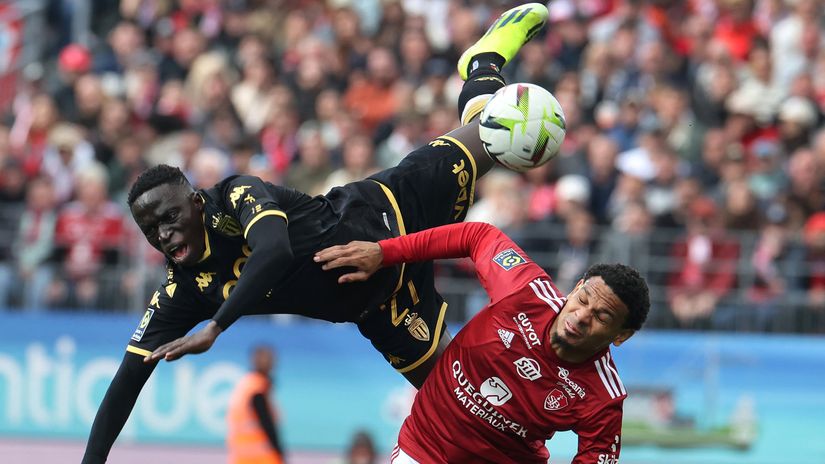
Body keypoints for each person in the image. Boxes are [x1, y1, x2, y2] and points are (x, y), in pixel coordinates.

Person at [82, 4, 550, 462]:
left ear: (195, 202)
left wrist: (217, 326)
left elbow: (274, 252)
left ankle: (482, 62)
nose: (162, 234)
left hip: (391, 209)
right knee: (478, 414)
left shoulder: (234, 196)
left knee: (497, 136)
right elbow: (126, 381)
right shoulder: (180, 290)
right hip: (385, 309)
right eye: (149, 229)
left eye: (168, 217)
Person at [314, 221, 650, 463]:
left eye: (602, 317)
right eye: (583, 299)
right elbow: (477, 235)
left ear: (621, 335)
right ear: (575, 287)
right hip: (424, 449)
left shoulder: (602, 396)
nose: (580, 316)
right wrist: (384, 252)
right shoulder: (524, 291)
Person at [226, 345, 284, 464]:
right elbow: (266, 423)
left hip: (241, 456)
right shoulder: (257, 388)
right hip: (262, 456)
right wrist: (279, 452)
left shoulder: (246, 383)